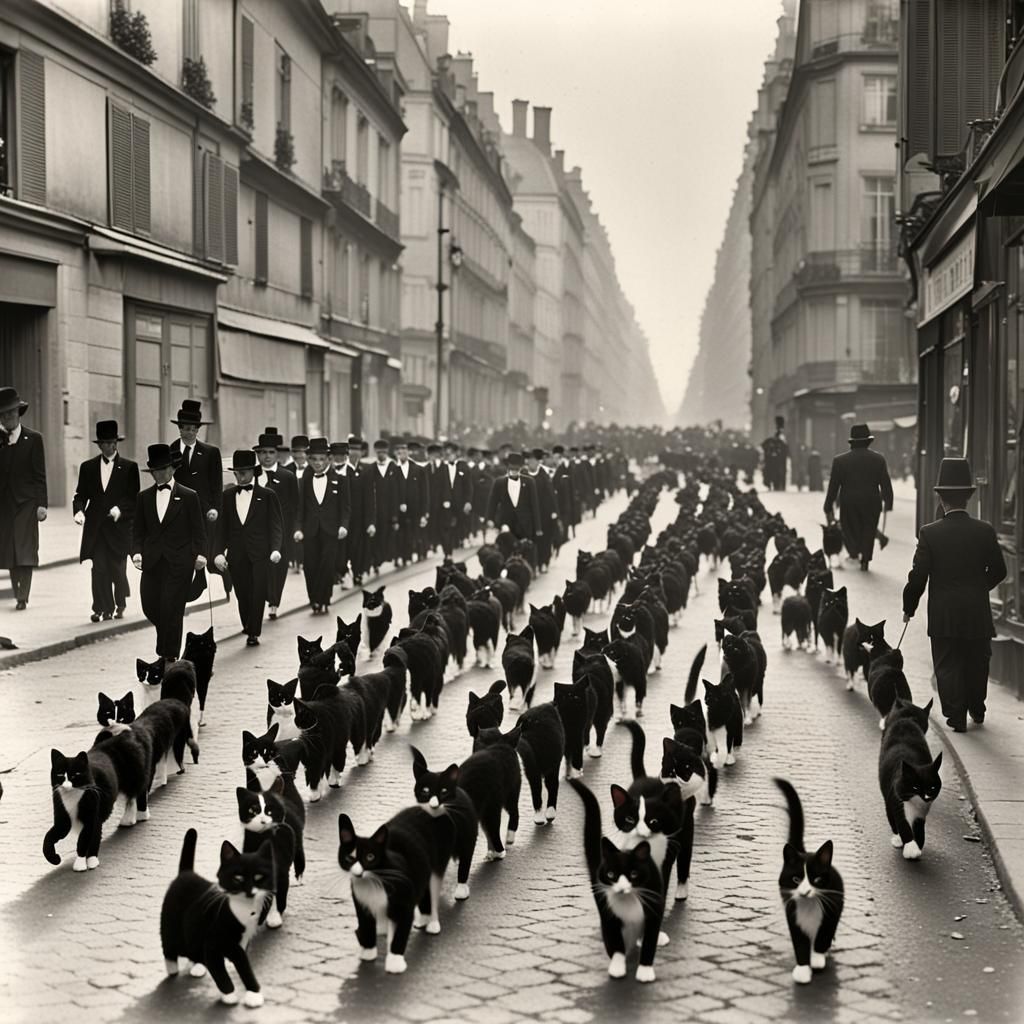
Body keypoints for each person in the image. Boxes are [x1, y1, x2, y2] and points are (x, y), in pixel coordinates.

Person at [903, 458, 1007, 732]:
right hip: (976, 610)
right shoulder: (984, 530)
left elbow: (918, 576)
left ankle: (956, 714)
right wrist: (977, 588)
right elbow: (999, 570)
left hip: (944, 611)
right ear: (969, 497)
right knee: (976, 659)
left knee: (947, 662)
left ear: (940, 497)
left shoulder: (930, 533)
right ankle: (977, 708)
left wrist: (909, 606)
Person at [131, 444, 207, 660]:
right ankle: (166, 646)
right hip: (153, 561)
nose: (159, 474)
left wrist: (201, 554)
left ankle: (169, 655)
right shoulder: (143, 498)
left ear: (173, 469)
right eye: (155, 470)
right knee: (150, 605)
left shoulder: (189, 496)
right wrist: (136, 553)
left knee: (172, 608)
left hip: (180, 562)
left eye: (164, 469)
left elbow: (198, 531)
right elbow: (137, 531)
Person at [72, 420, 140, 621]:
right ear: (99, 445)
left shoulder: (129, 467)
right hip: (97, 528)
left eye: (113, 442)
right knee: (99, 569)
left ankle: (120, 603)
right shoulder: (88, 467)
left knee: (117, 569)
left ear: (117, 443)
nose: (110, 446)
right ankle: (101, 608)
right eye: (105, 442)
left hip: (118, 529)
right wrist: (79, 511)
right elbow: (80, 495)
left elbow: (133, 498)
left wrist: (120, 509)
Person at [215, 450, 283, 646]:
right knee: (242, 593)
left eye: (244, 471)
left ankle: (254, 632)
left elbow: (276, 525)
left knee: (258, 592)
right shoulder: (226, 496)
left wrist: (276, 548)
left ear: (253, 471)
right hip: (236, 554)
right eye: (237, 472)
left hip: (261, 554)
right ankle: (248, 624)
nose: (241, 475)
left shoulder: (267, 495)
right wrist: (218, 552)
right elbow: (221, 529)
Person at [169, 399, 224, 592]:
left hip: (203, 509)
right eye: (186, 428)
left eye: (193, 429)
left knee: (200, 544)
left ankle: (202, 576)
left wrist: (215, 508)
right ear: (180, 429)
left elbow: (217, 484)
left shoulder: (210, 453)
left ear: (198, 429)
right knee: (181, 546)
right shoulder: (171, 451)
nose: (189, 432)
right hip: (178, 509)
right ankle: (187, 579)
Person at [0, 386, 47, 610]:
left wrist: (42, 505)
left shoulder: (33, 439)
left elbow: (40, 476)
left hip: (27, 503)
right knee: (9, 549)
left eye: (11, 413)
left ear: (19, 413)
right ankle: (16, 587)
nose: (7, 418)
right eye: (3, 414)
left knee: (25, 549)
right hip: (5, 504)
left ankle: (22, 595)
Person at [823, 423, 894, 571]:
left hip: (849, 502)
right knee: (869, 529)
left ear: (852, 442)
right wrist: (888, 501)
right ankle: (866, 559)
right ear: (868, 441)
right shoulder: (878, 459)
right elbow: (886, 484)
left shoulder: (840, 461)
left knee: (850, 528)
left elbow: (833, 487)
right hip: (872, 501)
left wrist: (828, 505)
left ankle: (854, 551)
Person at [294, 437, 350, 614]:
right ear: (309, 460)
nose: (317, 463)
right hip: (310, 531)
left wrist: (343, 526)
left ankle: (324, 598)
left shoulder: (339, 480)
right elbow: (299, 507)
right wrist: (297, 528)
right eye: (314, 459)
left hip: (331, 530)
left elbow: (346, 507)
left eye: (321, 459)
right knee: (310, 565)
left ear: (328, 459)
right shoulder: (304, 480)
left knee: (327, 565)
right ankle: (314, 599)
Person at [254, 431, 298, 620]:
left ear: (277, 454)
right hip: (256, 530)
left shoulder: (287, 476)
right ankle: (261, 597)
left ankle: (273, 602)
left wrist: (293, 529)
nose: (267, 456)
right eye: (262, 452)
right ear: (258, 454)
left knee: (278, 567)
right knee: (259, 566)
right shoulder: (253, 475)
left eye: (271, 452)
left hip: (281, 531)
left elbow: (295, 505)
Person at [487, 451, 542, 542]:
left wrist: (538, 528)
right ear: (507, 467)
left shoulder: (529, 482)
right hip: (506, 524)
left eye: (516, 469)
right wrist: (490, 519)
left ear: (521, 468)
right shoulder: (499, 482)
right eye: (511, 468)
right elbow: (492, 502)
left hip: (525, 524)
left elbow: (534, 505)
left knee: (526, 551)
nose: (514, 471)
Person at [393, 438, 428, 566]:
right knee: (402, 535)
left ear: (408, 452)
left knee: (415, 532)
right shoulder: (394, 470)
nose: (401, 453)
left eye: (404, 450)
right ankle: (403, 557)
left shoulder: (418, 470)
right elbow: (391, 491)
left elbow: (424, 492)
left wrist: (425, 512)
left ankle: (419, 553)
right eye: (399, 450)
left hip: (416, 508)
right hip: (400, 510)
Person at [433, 440, 472, 556]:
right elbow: (437, 488)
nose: (449, 455)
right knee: (445, 528)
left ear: (456, 454)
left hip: (459, 504)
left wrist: (468, 502)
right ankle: (447, 552)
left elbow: (468, 487)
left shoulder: (463, 467)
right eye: (446, 453)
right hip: (445, 504)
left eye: (451, 453)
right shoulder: (440, 469)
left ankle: (459, 542)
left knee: (458, 527)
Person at [367, 439, 399, 574]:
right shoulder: (371, 469)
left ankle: (391, 557)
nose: (381, 454)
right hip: (375, 508)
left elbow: (397, 491)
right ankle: (376, 561)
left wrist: (395, 515)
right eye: (379, 452)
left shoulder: (394, 468)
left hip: (390, 509)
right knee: (376, 537)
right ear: (375, 452)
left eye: (384, 452)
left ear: (387, 452)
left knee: (388, 535)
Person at [525, 447, 558, 572]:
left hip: (544, 513)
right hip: (530, 514)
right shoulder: (524, 474)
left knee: (545, 540)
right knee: (531, 540)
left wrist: (554, 511)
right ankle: (533, 564)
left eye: (533, 460)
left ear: (538, 462)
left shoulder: (544, 476)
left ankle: (544, 562)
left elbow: (551, 495)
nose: (531, 463)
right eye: (529, 460)